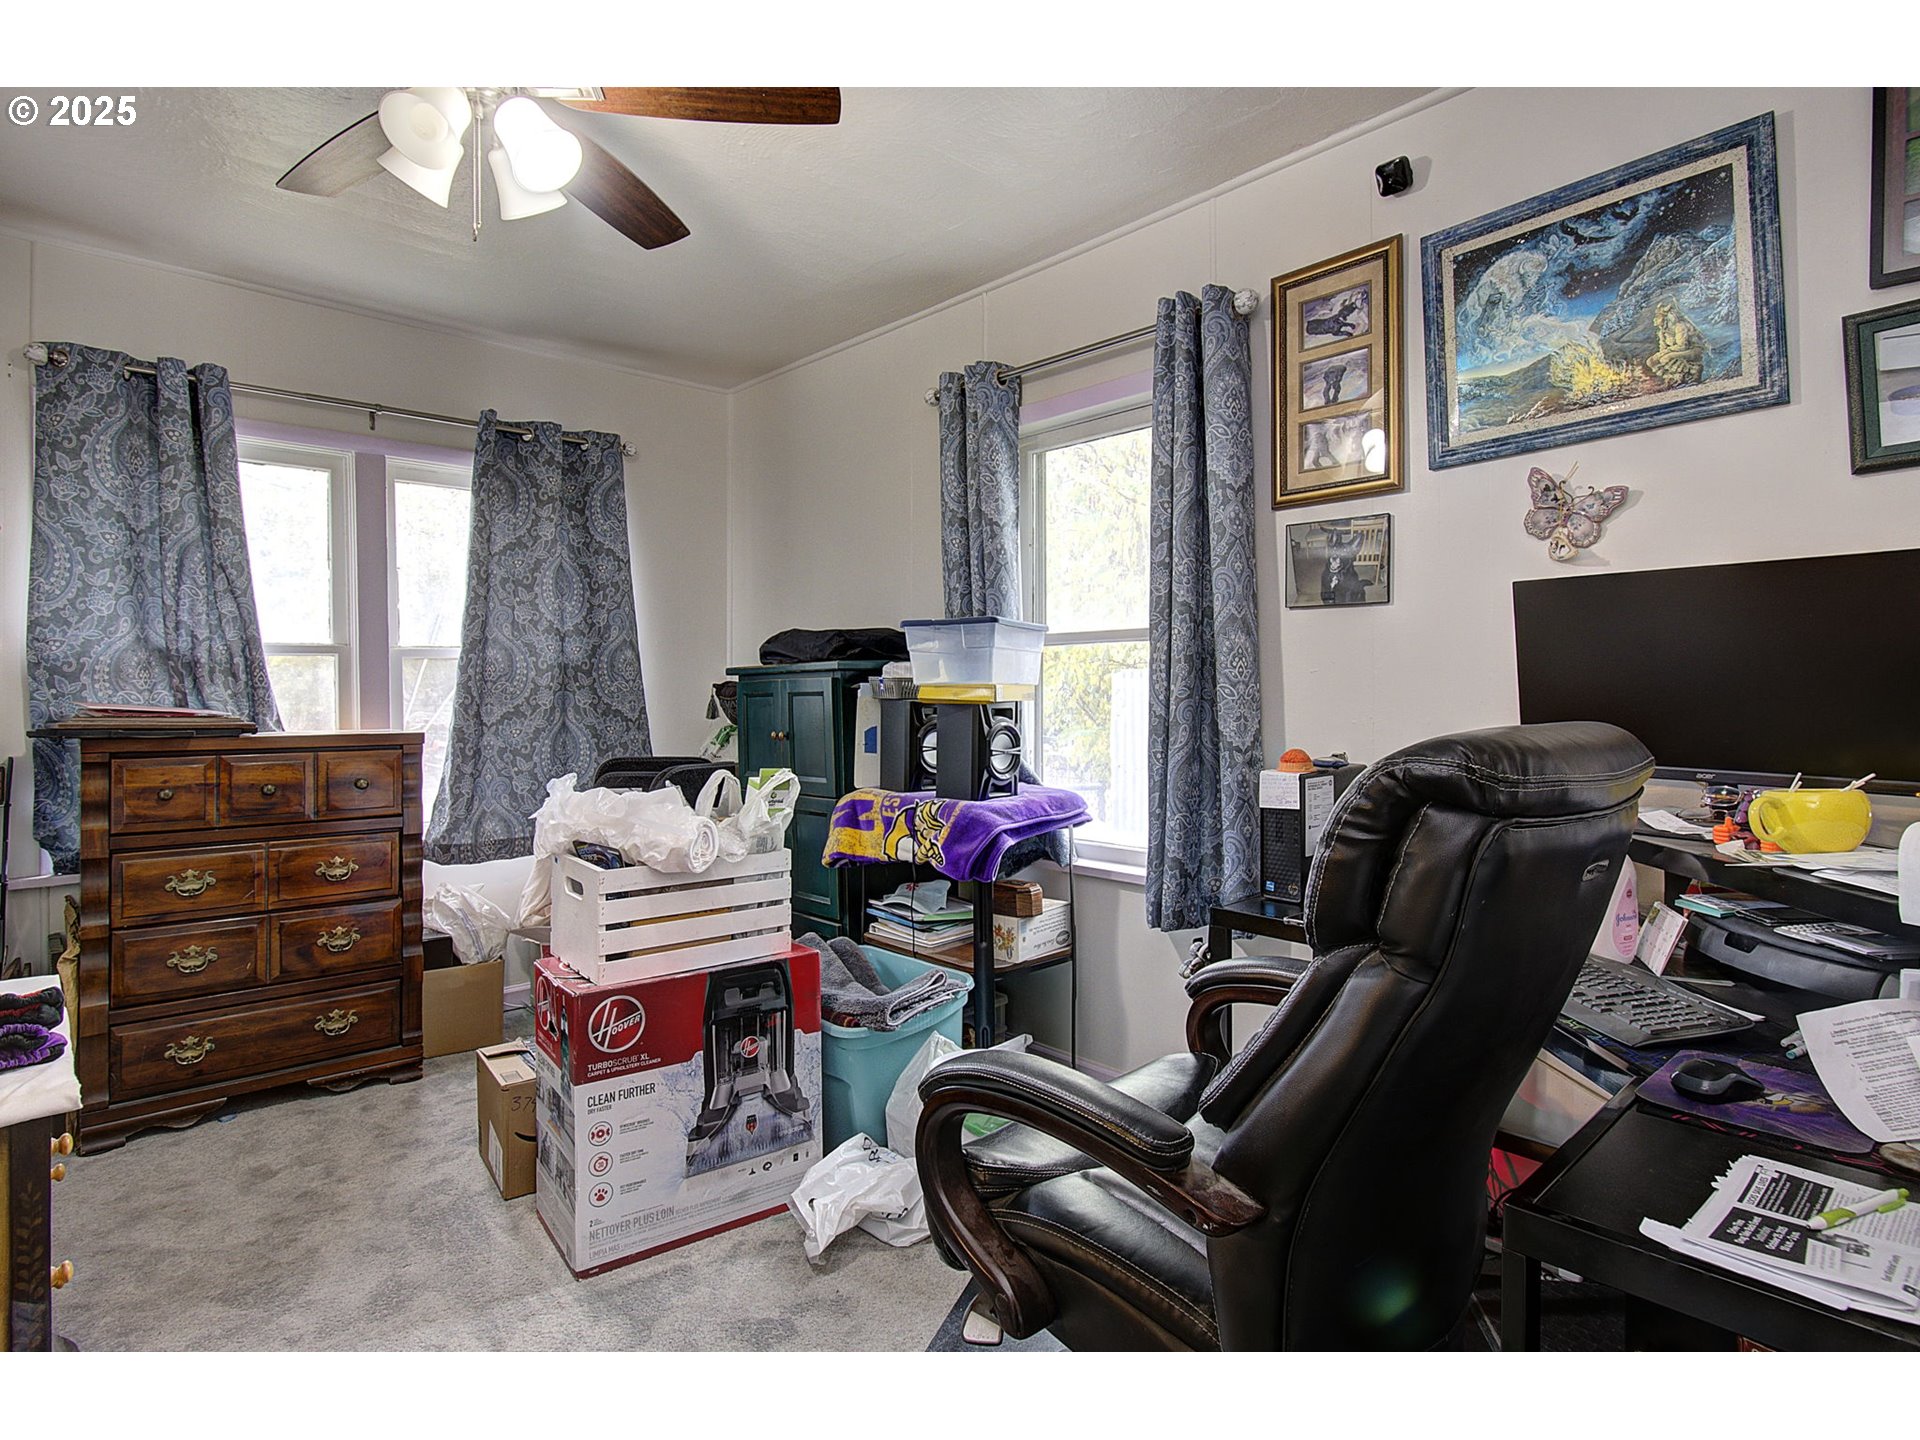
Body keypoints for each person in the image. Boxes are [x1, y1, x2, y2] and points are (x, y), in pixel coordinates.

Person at [1645, 300, 1705, 387]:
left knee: (1666, 358)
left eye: (1658, 317)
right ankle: (1672, 377)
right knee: (1651, 361)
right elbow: (1663, 347)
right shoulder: (1662, 332)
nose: (1655, 320)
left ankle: (1692, 371)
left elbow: (1683, 346)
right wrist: (1662, 353)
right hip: (1676, 350)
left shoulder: (1679, 326)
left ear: (1665, 317)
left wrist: (1666, 352)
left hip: (1693, 350)